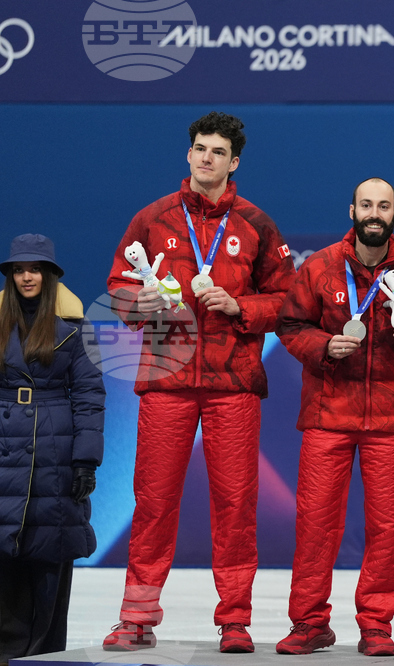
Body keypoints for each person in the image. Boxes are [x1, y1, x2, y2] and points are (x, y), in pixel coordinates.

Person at [102, 112, 295, 653]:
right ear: (188, 155)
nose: (206, 158)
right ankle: (137, 619)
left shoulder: (257, 225)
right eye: (199, 149)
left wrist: (240, 305)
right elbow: (118, 283)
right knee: (154, 502)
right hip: (167, 379)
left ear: (234, 163)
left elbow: (288, 302)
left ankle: (234, 620)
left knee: (235, 504)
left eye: (218, 152)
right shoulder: (153, 219)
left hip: (232, 382)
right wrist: (134, 302)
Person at [274, 178, 394, 657]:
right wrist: (323, 346)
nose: (374, 213)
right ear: (351, 209)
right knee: (316, 524)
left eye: (383, 206)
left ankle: (376, 624)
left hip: (390, 418)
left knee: (388, 528)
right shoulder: (321, 266)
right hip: (329, 414)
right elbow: (290, 324)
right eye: (366, 204)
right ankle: (309, 623)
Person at [0, 234, 105, 665]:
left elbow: (90, 396)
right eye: (19, 269)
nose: (27, 276)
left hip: (54, 454)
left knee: (50, 560)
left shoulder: (77, 332)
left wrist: (86, 460)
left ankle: (44, 655)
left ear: (50, 276)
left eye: (35, 269)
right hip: (6, 449)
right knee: (5, 558)